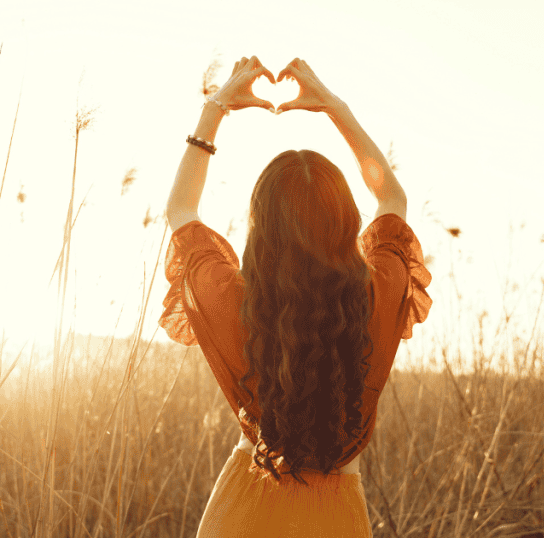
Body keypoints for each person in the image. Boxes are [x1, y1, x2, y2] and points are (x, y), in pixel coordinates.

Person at [161, 56, 432, 537]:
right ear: (346, 222)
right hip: (338, 518)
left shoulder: (235, 302)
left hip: (243, 507)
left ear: (260, 230)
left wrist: (216, 108)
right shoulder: (374, 295)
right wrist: (334, 107)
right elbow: (393, 200)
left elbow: (181, 207)